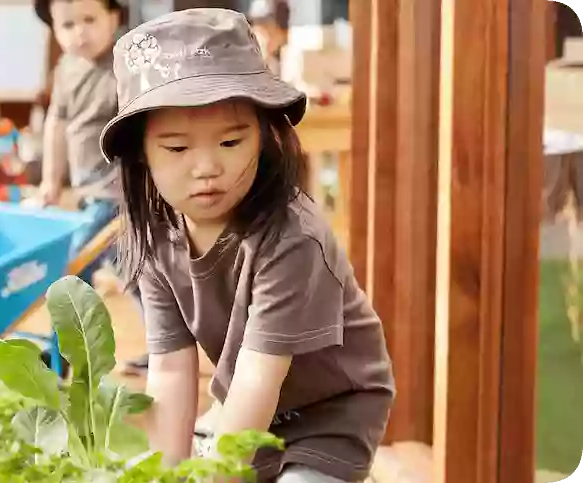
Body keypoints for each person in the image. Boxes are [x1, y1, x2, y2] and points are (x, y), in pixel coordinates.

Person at [99, 9, 394, 483]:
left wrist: (216, 475)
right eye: (177, 149)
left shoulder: (293, 238)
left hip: (327, 413)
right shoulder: (156, 237)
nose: (206, 167)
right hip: (241, 403)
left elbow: (262, 376)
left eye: (232, 141)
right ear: (141, 157)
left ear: (265, 136)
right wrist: (171, 473)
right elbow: (172, 369)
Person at [30, 0, 150, 374]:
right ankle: (167, 345)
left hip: (117, 193)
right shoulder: (66, 69)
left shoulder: (125, 67)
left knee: (71, 267)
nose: (79, 32)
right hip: (87, 193)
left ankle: (62, 357)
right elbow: (57, 124)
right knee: (133, 274)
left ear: (114, 17)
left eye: (89, 20)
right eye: (67, 25)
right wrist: (51, 179)